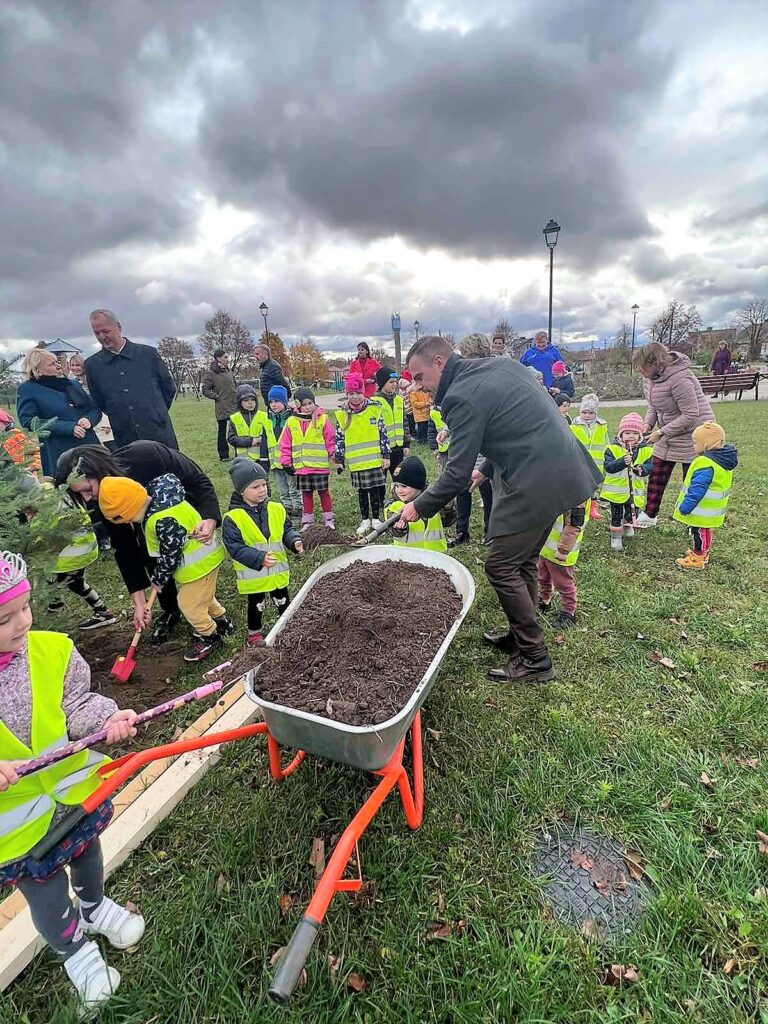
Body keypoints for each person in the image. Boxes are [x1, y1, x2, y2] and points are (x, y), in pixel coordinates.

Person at [398, 336, 601, 683]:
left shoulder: (461, 397)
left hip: (538, 478)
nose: (417, 387)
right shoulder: (498, 367)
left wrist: (419, 505)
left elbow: (455, 473)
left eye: (419, 377)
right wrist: (486, 469)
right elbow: (516, 426)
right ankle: (522, 637)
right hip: (561, 467)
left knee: (500, 565)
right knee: (520, 561)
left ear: (439, 362)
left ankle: (536, 658)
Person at [0, 550, 144, 1012]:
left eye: (25, 608)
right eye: (6, 618)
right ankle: (74, 950)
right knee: (43, 891)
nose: (23, 623)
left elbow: (77, 704)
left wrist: (108, 717)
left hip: (71, 794)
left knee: (87, 853)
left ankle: (95, 905)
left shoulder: (52, 649)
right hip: (17, 825)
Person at [55, 442, 221, 642]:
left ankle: (202, 606)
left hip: (188, 513)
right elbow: (124, 547)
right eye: (80, 495)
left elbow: (198, 480)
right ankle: (170, 609)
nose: (88, 498)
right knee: (151, 551)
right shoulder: (102, 500)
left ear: (98, 471)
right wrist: (139, 602)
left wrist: (209, 519)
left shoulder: (146, 455)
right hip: (152, 525)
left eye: (87, 489)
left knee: (188, 562)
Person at [98, 475, 231, 663]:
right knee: (202, 597)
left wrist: (159, 578)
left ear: (126, 513)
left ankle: (210, 636)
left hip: (202, 564)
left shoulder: (162, 520)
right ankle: (222, 621)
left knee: (188, 604)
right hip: (204, 561)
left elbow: (171, 554)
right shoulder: (165, 499)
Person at [222, 459, 303, 646]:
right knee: (256, 605)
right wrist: (259, 558)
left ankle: (289, 626)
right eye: (255, 487)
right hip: (255, 574)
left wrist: (294, 541)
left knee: (283, 600)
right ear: (241, 491)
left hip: (277, 572)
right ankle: (255, 634)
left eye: (264, 484)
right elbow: (235, 547)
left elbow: (286, 530)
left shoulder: (276, 509)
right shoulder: (233, 518)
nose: (262, 490)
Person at [633, 343, 714, 528]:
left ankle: (694, 521)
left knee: (692, 479)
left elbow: (691, 413)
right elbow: (654, 405)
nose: (638, 369)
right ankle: (650, 514)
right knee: (657, 473)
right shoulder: (650, 378)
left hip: (694, 432)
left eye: (641, 365)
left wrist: (661, 432)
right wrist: (648, 425)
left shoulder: (680, 379)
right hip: (668, 430)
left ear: (655, 363)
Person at [86, 309, 177, 450]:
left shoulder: (148, 354)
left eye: (106, 331)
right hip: (125, 437)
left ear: (118, 327)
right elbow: (99, 400)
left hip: (158, 431)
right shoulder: (93, 365)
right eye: (97, 333)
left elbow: (168, 388)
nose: (102, 337)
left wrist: (156, 413)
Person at [16, 348, 102, 477]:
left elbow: (94, 409)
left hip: (90, 446)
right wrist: (68, 427)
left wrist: (89, 419)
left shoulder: (71, 384)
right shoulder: (28, 389)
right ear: (37, 369)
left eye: (57, 362)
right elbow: (28, 421)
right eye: (52, 364)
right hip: (59, 450)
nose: (58, 366)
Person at [45, 493, 116, 629]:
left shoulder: (46, 506)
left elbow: (40, 536)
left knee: (53, 589)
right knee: (76, 583)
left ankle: (51, 626)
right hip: (84, 547)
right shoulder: (60, 492)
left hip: (72, 554)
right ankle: (103, 612)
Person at [673, 421, 737, 569]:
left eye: (695, 442)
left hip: (701, 510)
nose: (693, 446)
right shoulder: (723, 460)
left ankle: (697, 558)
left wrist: (686, 507)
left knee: (699, 532)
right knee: (706, 531)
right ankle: (703, 552)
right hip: (712, 511)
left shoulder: (705, 463)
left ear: (706, 443)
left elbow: (698, 489)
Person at [335, 373, 390, 535]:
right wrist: (339, 458)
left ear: (363, 392)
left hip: (374, 461)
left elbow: (383, 434)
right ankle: (365, 519)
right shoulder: (342, 414)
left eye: (358, 393)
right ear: (347, 395)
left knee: (375, 490)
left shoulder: (374, 409)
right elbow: (339, 438)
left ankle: (376, 518)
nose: (355, 397)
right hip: (357, 462)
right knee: (362, 491)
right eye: (351, 393)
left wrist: (386, 455)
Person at [279, 387, 336, 532]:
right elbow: (286, 443)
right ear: (298, 406)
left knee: (324, 492)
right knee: (306, 494)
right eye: (304, 405)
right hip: (302, 467)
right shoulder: (292, 421)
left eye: (310, 403)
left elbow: (330, 439)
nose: (307, 407)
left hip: (319, 466)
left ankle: (329, 519)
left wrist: (335, 457)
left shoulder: (322, 419)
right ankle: (307, 520)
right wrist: (285, 462)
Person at [601, 413, 654, 551]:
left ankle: (628, 525)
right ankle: (616, 537)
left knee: (632, 512)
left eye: (635, 433)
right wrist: (622, 462)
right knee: (616, 515)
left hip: (634, 492)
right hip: (616, 493)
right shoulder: (612, 449)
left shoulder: (646, 451)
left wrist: (642, 469)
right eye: (627, 433)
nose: (631, 436)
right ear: (621, 434)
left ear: (640, 435)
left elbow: (650, 466)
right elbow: (609, 467)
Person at [537, 497, 589, 629]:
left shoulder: (577, 493)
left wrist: (563, 549)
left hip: (562, 551)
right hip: (546, 546)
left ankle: (569, 611)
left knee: (563, 582)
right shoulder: (558, 484)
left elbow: (574, 523)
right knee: (542, 575)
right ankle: (544, 599)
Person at [386, 456, 447, 552]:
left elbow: (448, 520)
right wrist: (399, 529)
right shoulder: (393, 506)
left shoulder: (432, 501)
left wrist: (448, 505)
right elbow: (392, 530)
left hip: (436, 556)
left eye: (404, 486)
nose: (399, 490)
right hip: (407, 559)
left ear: (418, 485)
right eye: (396, 486)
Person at [570, 393, 608, 521]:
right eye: (584, 412)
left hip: (596, 462)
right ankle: (579, 505)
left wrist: (608, 455)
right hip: (579, 461)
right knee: (579, 483)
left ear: (595, 413)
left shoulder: (602, 426)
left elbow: (606, 443)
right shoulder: (574, 426)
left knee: (594, 485)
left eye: (590, 413)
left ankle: (593, 507)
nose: (587, 415)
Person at [267, 386, 302, 519]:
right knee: (282, 488)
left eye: (276, 401)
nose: (273, 404)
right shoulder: (268, 419)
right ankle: (287, 507)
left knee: (293, 486)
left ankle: (298, 507)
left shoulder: (292, 419)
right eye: (271, 402)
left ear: (284, 402)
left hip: (290, 461)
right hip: (275, 463)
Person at [227, 384, 277, 475]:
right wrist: (250, 441)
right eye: (246, 400)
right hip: (242, 460)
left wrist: (262, 440)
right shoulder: (235, 418)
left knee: (262, 483)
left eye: (252, 400)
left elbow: (270, 435)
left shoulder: (264, 416)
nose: (250, 403)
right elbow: (231, 438)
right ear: (239, 402)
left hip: (260, 459)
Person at [370, 368, 410, 478]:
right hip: (381, 450)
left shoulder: (398, 399)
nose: (394, 385)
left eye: (396, 382)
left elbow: (404, 423)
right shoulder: (374, 402)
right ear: (382, 383)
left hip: (398, 448)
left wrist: (406, 444)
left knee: (399, 478)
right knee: (380, 481)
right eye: (391, 382)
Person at [201, 349, 237, 462]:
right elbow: (205, 389)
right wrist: (216, 397)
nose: (227, 359)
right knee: (222, 431)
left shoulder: (229, 371)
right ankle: (223, 455)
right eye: (225, 357)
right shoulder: (211, 373)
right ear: (218, 358)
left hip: (234, 405)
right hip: (222, 407)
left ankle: (239, 452)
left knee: (237, 430)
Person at [399, 372, 416, 439]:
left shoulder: (401, 387)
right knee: (411, 422)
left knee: (408, 422)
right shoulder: (409, 387)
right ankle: (413, 434)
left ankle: (410, 434)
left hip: (406, 408)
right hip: (410, 409)